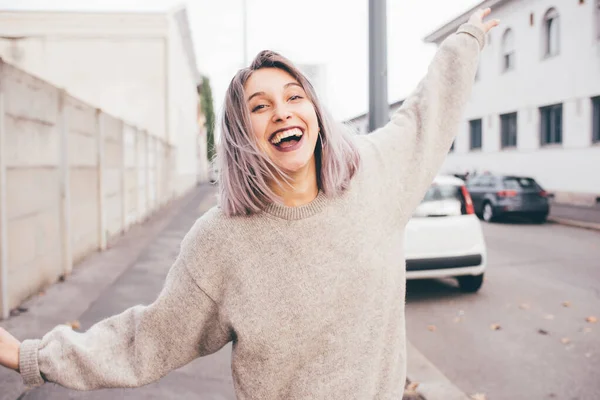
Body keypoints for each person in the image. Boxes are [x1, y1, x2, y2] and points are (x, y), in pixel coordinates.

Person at [0, 8, 498, 399]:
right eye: (260, 107)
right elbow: (147, 339)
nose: (282, 112)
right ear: (243, 136)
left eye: (294, 96)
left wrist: (465, 41)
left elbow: (424, 115)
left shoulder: (374, 176)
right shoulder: (220, 240)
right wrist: (29, 355)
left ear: (316, 112)